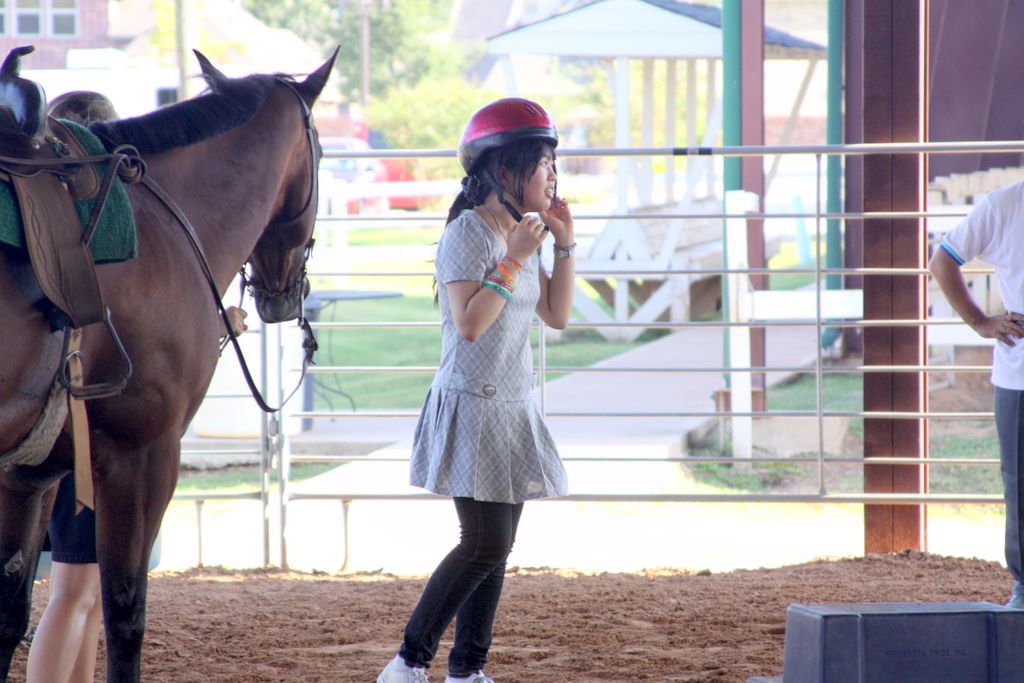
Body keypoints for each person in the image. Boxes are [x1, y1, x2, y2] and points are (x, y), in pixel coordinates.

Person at [377, 98, 575, 683]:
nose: (553, 176)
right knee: (484, 542)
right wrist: (515, 259)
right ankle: (407, 663)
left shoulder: (520, 233)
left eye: (553, 164)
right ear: (505, 171)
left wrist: (563, 244)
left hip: (511, 405)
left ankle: (467, 670)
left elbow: (558, 314)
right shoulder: (470, 232)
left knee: (497, 546)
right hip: (473, 402)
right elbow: (469, 323)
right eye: (543, 163)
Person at [929, 182, 1024, 609]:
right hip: (1019, 373)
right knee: (1020, 483)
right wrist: (981, 322)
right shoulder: (1004, 204)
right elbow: (943, 260)